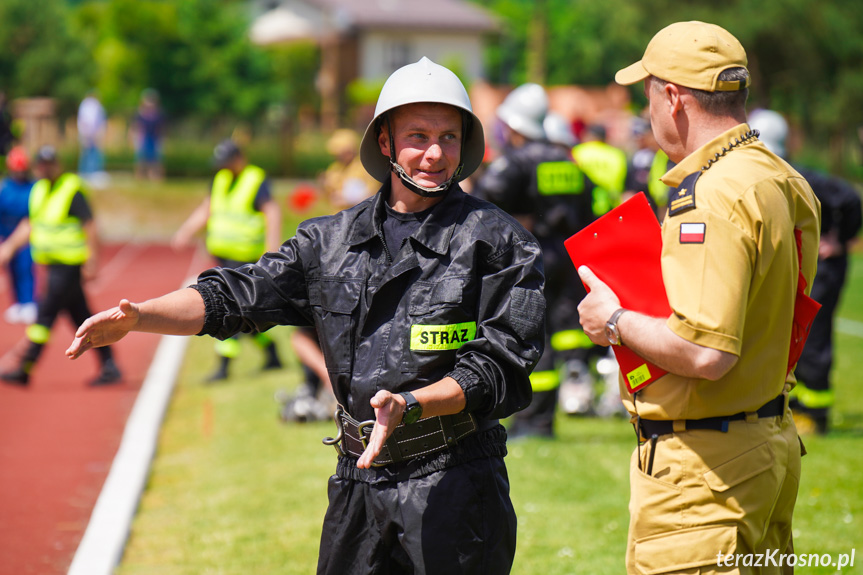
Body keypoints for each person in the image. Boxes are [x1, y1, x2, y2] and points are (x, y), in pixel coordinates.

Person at [68, 57, 544, 574]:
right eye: (418, 135)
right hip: (357, 480)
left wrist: (411, 404)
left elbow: (499, 367)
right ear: (384, 142)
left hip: (454, 482)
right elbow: (237, 295)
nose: (434, 153)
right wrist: (140, 315)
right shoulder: (329, 241)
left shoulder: (498, 242)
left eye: (449, 137)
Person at [576, 22, 820, 574]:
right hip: (763, 442)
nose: (649, 113)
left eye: (648, 95)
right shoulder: (777, 175)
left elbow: (706, 352)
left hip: (707, 469)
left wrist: (613, 318)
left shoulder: (710, 193)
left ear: (672, 97)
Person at [474, 83, 595, 435]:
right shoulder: (568, 161)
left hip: (531, 259)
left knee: (530, 337)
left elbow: (483, 205)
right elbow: (588, 208)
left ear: (513, 126)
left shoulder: (515, 161)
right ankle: (545, 416)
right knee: (557, 336)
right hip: (566, 258)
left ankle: (532, 421)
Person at [749, 108, 862, 435]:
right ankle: (794, 406)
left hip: (822, 270)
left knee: (813, 336)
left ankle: (815, 414)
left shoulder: (801, 177)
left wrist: (839, 241)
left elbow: (851, 200)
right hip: (796, 269)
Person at [0, 146, 122, 386]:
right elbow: (30, 224)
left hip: (68, 265)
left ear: (58, 164)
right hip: (53, 266)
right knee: (81, 317)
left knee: (45, 315)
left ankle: (26, 367)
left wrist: (92, 261)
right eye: (41, 164)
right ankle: (109, 364)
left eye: (49, 163)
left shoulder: (72, 189)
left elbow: (89, 226)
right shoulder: (38, 190)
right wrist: (9, 249)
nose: (45, 168)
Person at [171, 139, 283, 381]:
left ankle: (223, 367)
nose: (223, 167)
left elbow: (271, 212)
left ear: (239, 158)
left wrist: (271, 250)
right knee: (247, 313)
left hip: (244, 258)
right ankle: (271, 351)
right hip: (222, 255)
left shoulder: (255, 179)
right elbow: (207, 209)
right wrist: (187, 231)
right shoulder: (220, 179)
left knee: (229, 310)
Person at [0, 146, 37, 324]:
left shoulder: (34, 187)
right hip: (7, 235)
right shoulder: (5, 188)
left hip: (26, 238)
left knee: (25, 268)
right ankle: (16, 303)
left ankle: (28, 302)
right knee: (11, 269)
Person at [571, 123, 628, 217]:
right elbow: (623, 184)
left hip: (584, 207)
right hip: (610, 206)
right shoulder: (617, 155)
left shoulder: (576, 152)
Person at [624, 116, 675, 219]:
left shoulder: (668, 155)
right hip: (657, 205)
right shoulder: (656, 156)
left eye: (647, 136)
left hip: (667, 206)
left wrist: (663, 205)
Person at [320, 128, 378, 211]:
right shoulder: (335, 168)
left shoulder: (366, 168)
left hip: (358, 217)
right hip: (338, 218)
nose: (337, 155)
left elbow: (373, 196)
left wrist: (348, 200)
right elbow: (328, 195)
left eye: (341, 152)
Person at [131, 88, 165, 181]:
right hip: (143, 138)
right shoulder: (140, 114)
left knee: (155, 160)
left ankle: (154, 177)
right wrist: (133, 138)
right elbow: (136, 126)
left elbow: (160, 128)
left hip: (154, 138)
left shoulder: (158, 114)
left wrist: (161, 140)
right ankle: (140, 177)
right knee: (141, 159)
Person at [77, 92, 107, 182]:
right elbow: (83, 120)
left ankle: (94, 173)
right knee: (86, 154)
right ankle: (85, 173)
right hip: (87, 134)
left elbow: (100, 120)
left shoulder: (96, 106)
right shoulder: (86, 105)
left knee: (94, 155)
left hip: (94, 134)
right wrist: (85, 133)